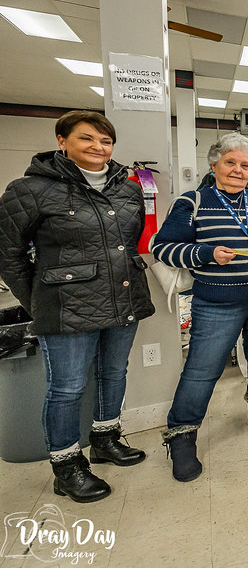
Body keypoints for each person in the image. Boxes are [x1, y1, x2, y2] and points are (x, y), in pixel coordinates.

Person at [0, 111, 154, 503]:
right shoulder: (30, 189)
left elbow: (130, 241)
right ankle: (67, 466)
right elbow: (8, 253)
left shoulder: (127, 187)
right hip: (66, 304)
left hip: (123, 296)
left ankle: (105, 439)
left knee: (113, 373)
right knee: (66, 388)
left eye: (105, 142)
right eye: (87, 139)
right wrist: (36, 299)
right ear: (62, 141)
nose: (98, 148)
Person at [154, 132, 248, 482]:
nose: (238, 169)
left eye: (245, 165)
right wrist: (204, 254)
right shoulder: (192, 202)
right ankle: (182, 436)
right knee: (202, 370)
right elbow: (163, 248)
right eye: (230, 162)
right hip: (215, 303)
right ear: (214, 164)